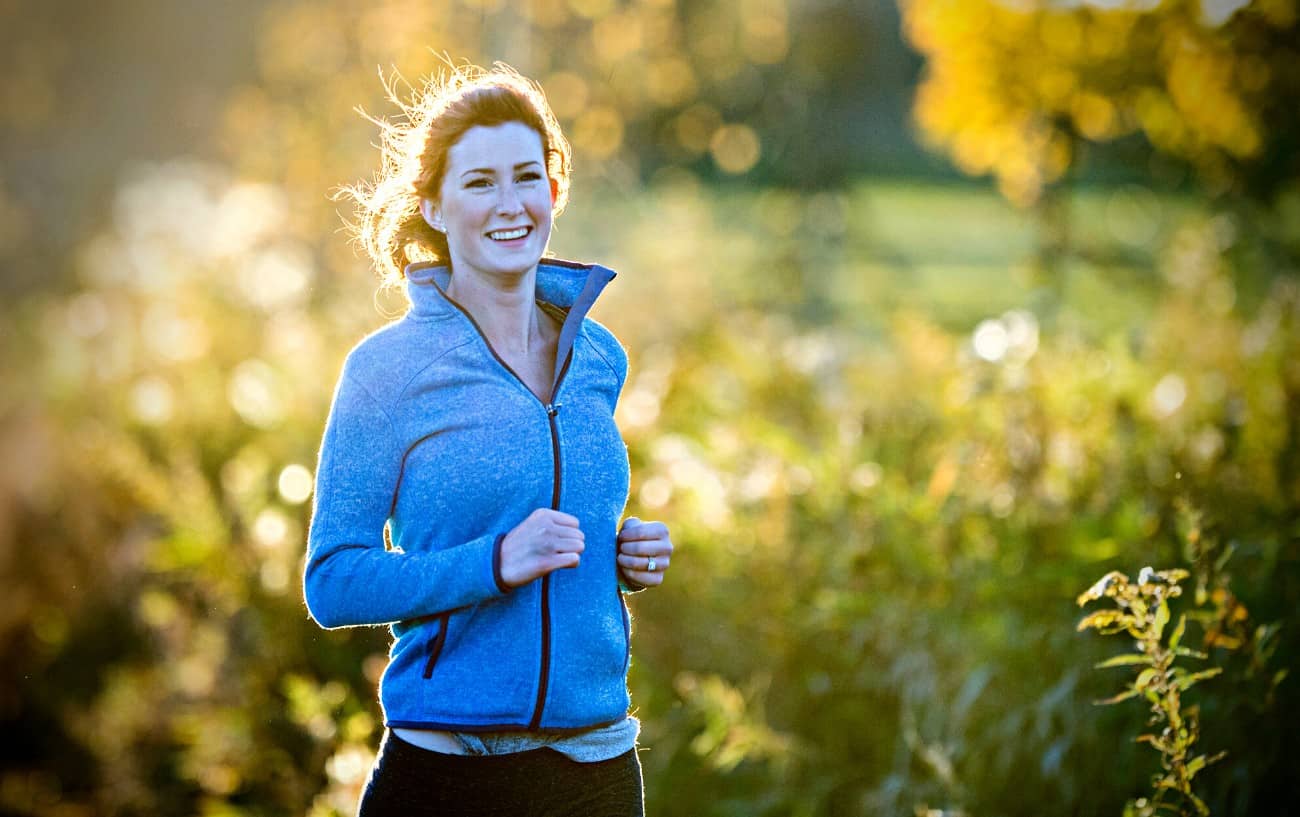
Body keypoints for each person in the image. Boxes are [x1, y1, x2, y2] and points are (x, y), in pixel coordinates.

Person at [303, 62, 674, 817]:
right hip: (449, 773)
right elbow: (333, 580)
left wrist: (621, 555)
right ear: (434, 205)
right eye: (479, 184)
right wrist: (493, 562)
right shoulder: (388, 371)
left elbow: (564, 523)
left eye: (526, 178)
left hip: (594, 767)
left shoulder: (599, 356)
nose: (510, 205)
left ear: (554, 191)